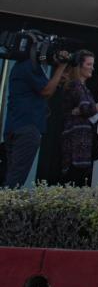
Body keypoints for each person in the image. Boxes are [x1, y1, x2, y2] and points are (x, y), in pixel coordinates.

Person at [3, 42, 68, 188]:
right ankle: (6, 208)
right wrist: (61, 67)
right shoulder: (30, 66)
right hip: (27, 128)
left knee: (12, 175)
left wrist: (57, 79)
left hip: (14, 127)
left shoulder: (20, 67)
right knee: (15, 181)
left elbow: (46, 87)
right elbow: (46, 91)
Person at [59, 50, 98, 186]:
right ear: (79, 65)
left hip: (82, 145)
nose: (92, 68)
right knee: (74, 183)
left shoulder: (83, 88)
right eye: (89, 64)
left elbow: (92, 113)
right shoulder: (75, 85)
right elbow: (88, 110)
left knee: (77, 182)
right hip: (76, 145)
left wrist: (89, 111)